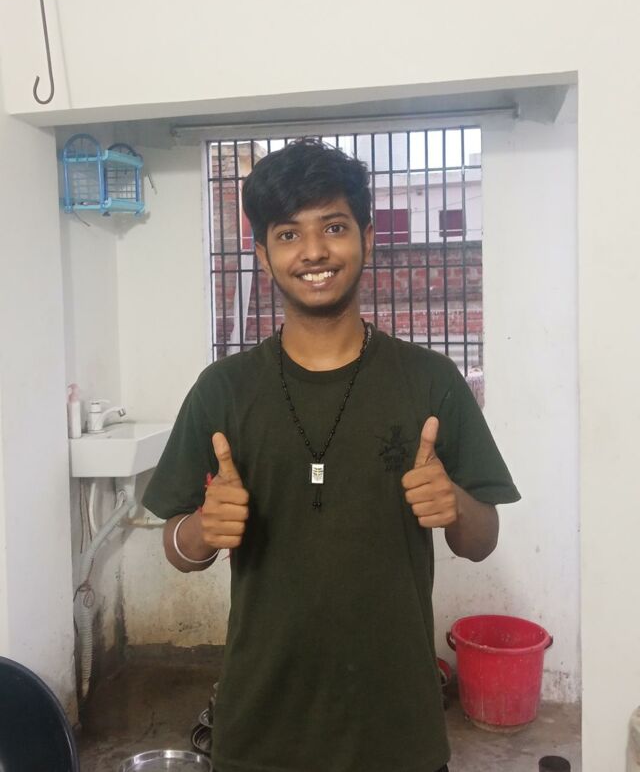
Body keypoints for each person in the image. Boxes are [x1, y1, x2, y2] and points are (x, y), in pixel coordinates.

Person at [143, 138, 520, 772]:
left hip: (398, 732)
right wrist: (202, 530)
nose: (314, 251)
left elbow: (482, 541)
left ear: (367, 238)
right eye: (289, 234)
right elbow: (176, 549)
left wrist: (455, 504)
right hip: (260, 732)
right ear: (263, 254)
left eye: (334, 227)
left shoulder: (430, 382)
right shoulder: (224, 390)